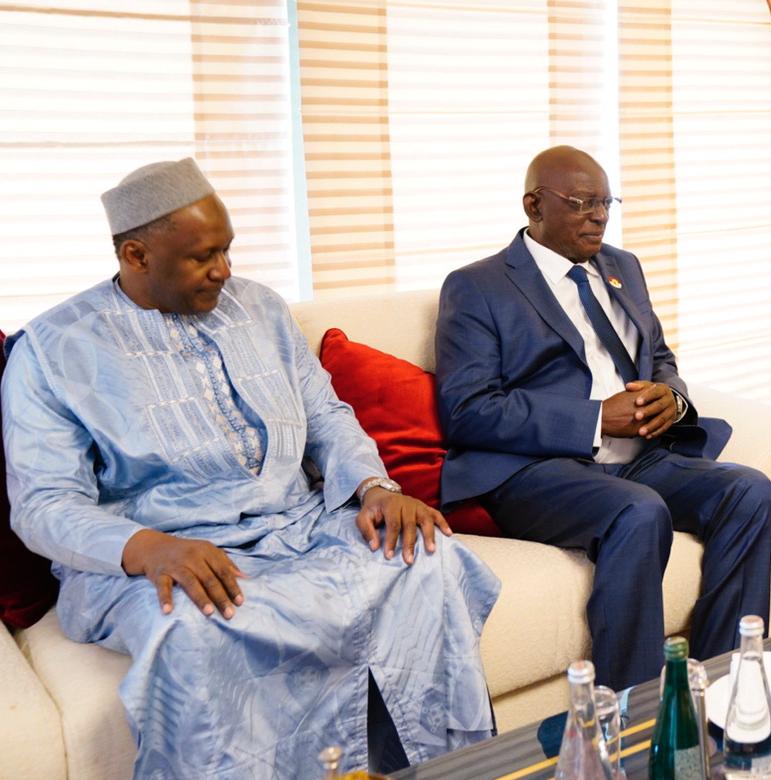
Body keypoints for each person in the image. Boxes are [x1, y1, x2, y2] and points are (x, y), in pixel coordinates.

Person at [1, 158, 499, 780]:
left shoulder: (259, 308)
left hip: (298, 525)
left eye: (227, 249)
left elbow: (325, 414)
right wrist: (149, 548)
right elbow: (43, 504)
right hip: (163, 551)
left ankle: (448, 769)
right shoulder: (51, 350)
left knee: (426, 556)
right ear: (136, 256)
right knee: (195, 628)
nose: (225, 270)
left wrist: (375, 486)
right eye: (202, 257)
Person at [434, 145, 771, 689]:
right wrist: (594, 419)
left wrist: (671, 398)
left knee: (749, 491)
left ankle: (721, 688)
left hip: (640, 456)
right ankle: (634, 714)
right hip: (539, 470)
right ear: (534, 206)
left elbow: (659, 357)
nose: (598, 216)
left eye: (606, 203)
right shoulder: (477, 286)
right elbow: (467, 409)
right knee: (639, 511)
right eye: (581, 203)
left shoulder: (623, 266)